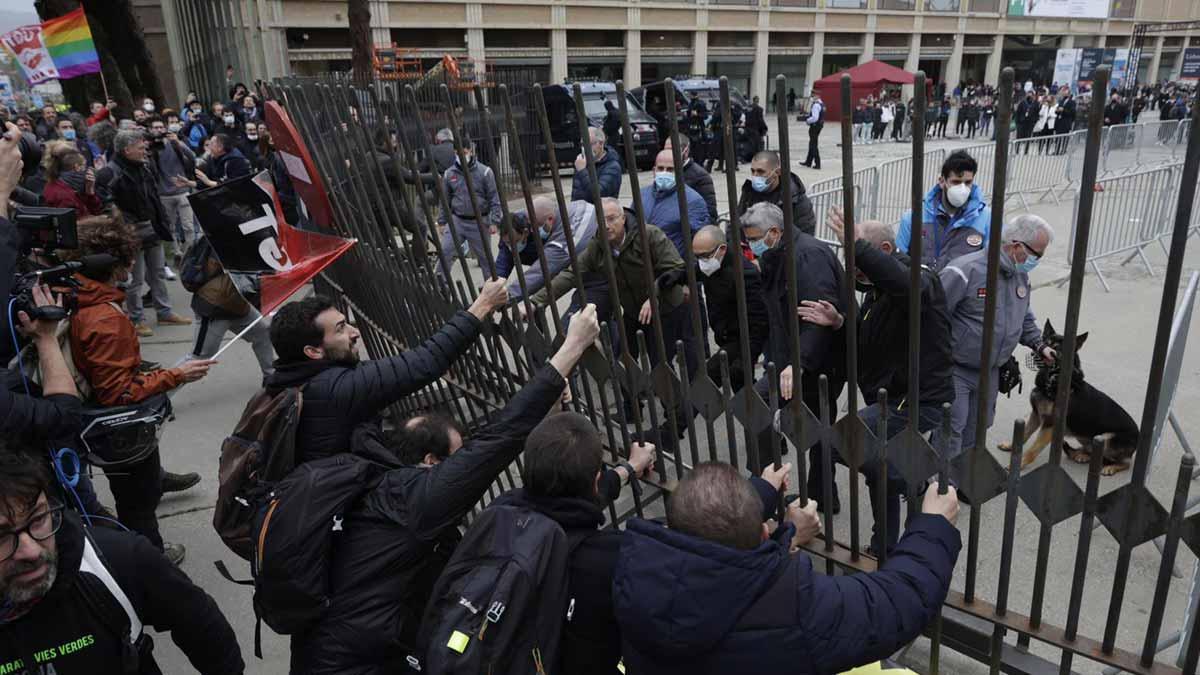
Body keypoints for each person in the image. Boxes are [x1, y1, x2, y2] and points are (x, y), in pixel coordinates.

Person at [270, 291, 598, 674]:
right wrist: (571, 348)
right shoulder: (407, 505)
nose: (458, 469)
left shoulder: (362, 487)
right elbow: (493, 444)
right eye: (453, 460)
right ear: (429, 463)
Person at [611, 462, 962, 674]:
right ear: (765, 532)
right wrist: (933, 524)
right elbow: (896, 602)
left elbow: (718, 556)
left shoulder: (631, 566)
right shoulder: (796, 608)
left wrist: (764, 494)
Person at [0, 450, 246, 674]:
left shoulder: (116, 560)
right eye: (2, 536)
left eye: (39, 518)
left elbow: (203, 626)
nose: (31, 550)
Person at [803, 211, 954, 554]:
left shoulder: (921, 279)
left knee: (836, 442)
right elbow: (869, 340)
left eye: (859, 260)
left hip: (918, 400)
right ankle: (883, 545)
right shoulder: (875, 291)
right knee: (879, 471)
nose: (854, 272)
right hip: (890, 398)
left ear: (884, 250)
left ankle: (909, 478)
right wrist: (840, 321)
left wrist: (857, 247)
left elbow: (908, 289)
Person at [68, 214, 213, 562]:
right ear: (114, 263)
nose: (133, 264)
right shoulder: (104, 317)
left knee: (139, 490)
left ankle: (155, 486)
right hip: (120, 430)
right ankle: (151, 558)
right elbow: (119, 393)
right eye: (128, 257)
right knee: (138, 504)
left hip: (97, 419)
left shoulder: (80, 295)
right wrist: (177, 375)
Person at [484, 413, 656, 675]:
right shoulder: (611, 558)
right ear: (596, 480)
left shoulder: (500, 511)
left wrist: (628, 468)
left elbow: (564, 501)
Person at [528, 198, 697, 429]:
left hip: (665, 309)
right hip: (633, 309)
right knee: (622, 358)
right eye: (601, 220)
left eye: (611, 219)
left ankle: (675, 419)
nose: (606, 225)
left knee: (660, 366)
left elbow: (676, 268)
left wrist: (654, 294)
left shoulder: (650, 236)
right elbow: (572, 273)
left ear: (623, 218)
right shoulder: (599, 244)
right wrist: (536, 301)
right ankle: (632, 410)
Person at [743, 202, 846, 505]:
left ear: (774, 232)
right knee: (775, 413)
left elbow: (818, 316)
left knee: (817, 430)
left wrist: (798, 364)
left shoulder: (806, 256)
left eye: (754, 238)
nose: (751, 245)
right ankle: (776, 483)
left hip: (817, 362)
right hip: (791, 357)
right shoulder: (780, 254)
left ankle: (812, 494)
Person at [939, 214, 1057, 460]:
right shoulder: (964, 270)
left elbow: (1024, 318)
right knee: (952, 429)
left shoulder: (1019, 276)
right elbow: (932, 316)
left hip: (990, 371)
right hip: (956, 369)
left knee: (978, 427)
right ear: (1016, 246)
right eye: (1037, 254)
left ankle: (963, 481)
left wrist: (1039, 344)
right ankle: (941, 486)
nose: (1037, 261)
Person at [97, 129, 191, 336]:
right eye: (140, 147)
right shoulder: (109, 173)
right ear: (126, 149)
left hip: (152, 228)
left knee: (157, 272)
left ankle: (164, 312)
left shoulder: (145, 168)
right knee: (135, 279)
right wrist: (125, 228)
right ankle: (136, 318)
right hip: (130, 231)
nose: (145, 151)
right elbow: (107, 205)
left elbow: (153, 198)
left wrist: (162, 223)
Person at [692, 225, 768, 390]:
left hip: (742, 340)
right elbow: (690, 271)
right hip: (725, 335)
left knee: (707, 380)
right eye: (697, 256)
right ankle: (756, 414)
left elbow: (759, 321)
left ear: (722, 249)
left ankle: (682, 415)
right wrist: (667, 280)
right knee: (740, 384)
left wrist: (748, 356)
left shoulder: (745, 274)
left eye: (704, 256)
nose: (701, 262)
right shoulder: (709, 262)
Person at [186, 241, 276, 377]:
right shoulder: (222, 237)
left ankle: (271, 377)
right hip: (216, 306)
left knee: (262, 333)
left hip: (237, 304)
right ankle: (161, 389)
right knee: (199, 360)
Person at [896, 150, 991, 271]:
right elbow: (898, 261)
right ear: (942, 181)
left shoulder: (987, 218)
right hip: (924, 288)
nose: (962, 188)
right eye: (956, 182)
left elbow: (993, 263)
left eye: (968, 182)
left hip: (964, 288)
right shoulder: (912, 217)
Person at [494, 196, 599, 300]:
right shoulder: (571, 207)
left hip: (596, 277)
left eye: (535, 226)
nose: (531, 231)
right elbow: (505, 255)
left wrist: (507, 296)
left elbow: (540, 272)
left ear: (550, 220)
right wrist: (496, 284)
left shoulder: (565, 240)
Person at [436, 138, 502, 275]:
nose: (461, 157)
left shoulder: (485, 172)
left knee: (486, 260)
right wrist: (442, 221)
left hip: (479, 221)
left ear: (470, 151)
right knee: (445, 252)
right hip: (457, 220)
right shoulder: (450, 174)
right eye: (457, 154)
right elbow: (444, 200)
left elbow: (494, 198)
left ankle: (490, 290)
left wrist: (495, 221)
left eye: (464, 153)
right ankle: (441, 286)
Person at [147, 118, 199, 263]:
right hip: (163, 194)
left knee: (188, 225)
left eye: (160, 127)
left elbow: (192, 157)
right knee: (170, 226)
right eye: (155, 128)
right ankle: (177, 251)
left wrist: (178, 142)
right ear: (151, 130)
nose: (158, 130)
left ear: (165, 129)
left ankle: (190, 252)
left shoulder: (175, 144)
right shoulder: (150, 148)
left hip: (182, 190)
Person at [641, 149, 710, 255]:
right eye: (660, 168)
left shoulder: (693, 201)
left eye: (670, 169)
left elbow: (699, 242)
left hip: (674, 266)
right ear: (654, 170)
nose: (664, 172)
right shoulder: (642, 194)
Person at [736, 150, 817, 237]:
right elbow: (736, 224)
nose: (755, 176)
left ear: (777, 172)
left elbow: (804, 235)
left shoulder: (795, 199)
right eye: (752, 171)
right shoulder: (749, 193)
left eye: (761, 172)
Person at [663, 135, 718, 223]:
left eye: (672, 150)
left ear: (686, 151)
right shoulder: (664, 173)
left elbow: (710, 215)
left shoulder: (701, 177)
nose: (668, 154)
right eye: (666, 151)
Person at [41, 146, 101, 217]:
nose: (86, 170)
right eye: (84, 166)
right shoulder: (67, 197)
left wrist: (89, 192)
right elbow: (85, 222)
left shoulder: (53, 184)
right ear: (77, 167)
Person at [570, 128, 622, 202]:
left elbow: (598, 194)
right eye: (582, 144)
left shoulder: (612, 166)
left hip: (601, 211)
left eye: (589, 144)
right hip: (581, 210)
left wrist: (582, 171)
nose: (584, 148)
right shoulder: (582, 162)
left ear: (601, 143)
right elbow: (576, 194)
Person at [799, 91, 823, 169]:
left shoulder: (816, 105)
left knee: (813, 145)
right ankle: (808, 161)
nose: (812, 98)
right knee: (812, 143)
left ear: (817, 96)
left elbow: (815, 118)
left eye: (813, 96)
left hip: (814, 126)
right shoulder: (821, 104)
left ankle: (817, 163)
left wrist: (807, 120)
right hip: (819, 126)